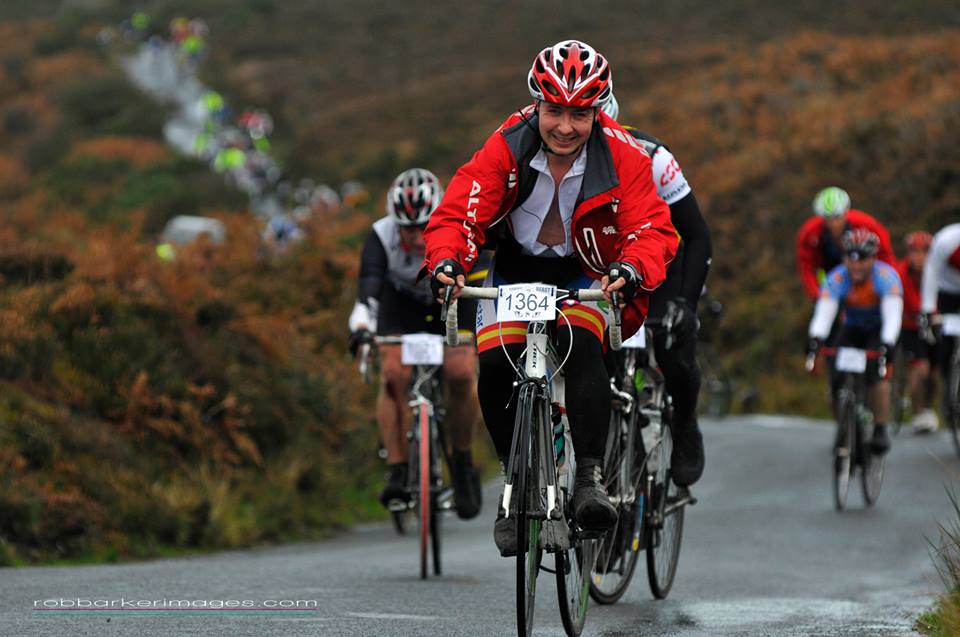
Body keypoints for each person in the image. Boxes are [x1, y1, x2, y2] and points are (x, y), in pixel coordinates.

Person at [424, 40, 679, 556]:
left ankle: (588, 479)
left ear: (597, 112)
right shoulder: (507, 142)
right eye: (554, 111)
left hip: (583, 269)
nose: (565, 126)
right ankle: (514, 485)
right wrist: (448, 261)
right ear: (536, 104)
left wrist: (631, 267)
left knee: (583, 348)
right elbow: (460, 212)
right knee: (493, 363)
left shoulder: (624, 156)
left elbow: (652, 228)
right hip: (515, 268)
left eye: (579, 114)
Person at [348, 168, 483, 520]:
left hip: (451, 303)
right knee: (393, 375)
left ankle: (462, 460)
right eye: (406, 228)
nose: (415, 236)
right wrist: (361, 327)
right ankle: (397, 469)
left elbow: (480, 282)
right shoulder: (381, 235)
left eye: (423, 227)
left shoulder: (459, 228)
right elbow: (369, 290)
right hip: (401, 308)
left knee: (461, 372)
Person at [601, 92, 712, 486]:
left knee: (672, 346)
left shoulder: (653, 158)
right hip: (603, 267)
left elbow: (697, 236)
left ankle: (685, 423)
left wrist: (686, 303)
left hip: (660, 265)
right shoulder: (561, 157)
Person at [807, 229, 903, 455]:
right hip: (851, 328)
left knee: (876, 377)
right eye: (850, 258)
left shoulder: (886, 277)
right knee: (835, 379)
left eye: (863, 259)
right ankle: (844, 426)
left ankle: (880, 428)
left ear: (874, 258)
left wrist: (888, 343)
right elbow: (824, 314)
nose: (856, 265)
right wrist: (816, 338)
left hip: (878, 329)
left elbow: (893, 316)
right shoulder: (836, 278)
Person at [796, 187, 895, 301]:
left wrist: (888, 285)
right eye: (828, 218)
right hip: (830, 282)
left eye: (837, 217)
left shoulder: (867, 225)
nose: (834, 224)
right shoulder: (809, 233)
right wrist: (817, 295)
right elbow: (807, 267)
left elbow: (886, 255)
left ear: (846, 212)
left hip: (868, 281)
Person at [894, 232, 938, 433]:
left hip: (933, 324)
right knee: (921, 368)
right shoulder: (899, 273)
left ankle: (929, 407)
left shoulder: (939, 271)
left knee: (935, 372)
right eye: (915, 251)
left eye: (924, 252)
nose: (919, 257)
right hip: (909, 326)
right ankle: (918, 411)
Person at [920, 223, 960, 422]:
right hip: (947, 293)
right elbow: (931, 272)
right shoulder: (946, 239)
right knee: (946, 343)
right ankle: (948, 383)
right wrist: (928, 310)